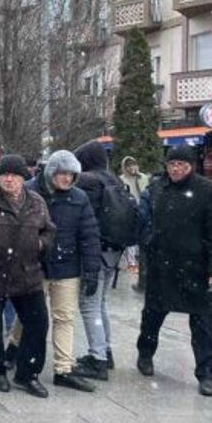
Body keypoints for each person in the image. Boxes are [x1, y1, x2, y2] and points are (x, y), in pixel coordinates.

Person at [137, 146, 212, 396]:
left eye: (182, 164)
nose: (176, 169)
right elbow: (144, 221)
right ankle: (145, 353)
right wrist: (147, 242)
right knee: (152, 318)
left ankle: (206, 374)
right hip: (162, 266)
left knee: (204, 324)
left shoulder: (209, 191)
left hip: (197, 268)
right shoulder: (157, 189)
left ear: (191, 166)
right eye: (172, 164)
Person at [0, 154, 56, 398]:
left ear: (23, 178)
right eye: (4, 175)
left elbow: (49, 229)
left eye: (14, 175)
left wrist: (40, 244)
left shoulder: (36, 201)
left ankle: (28, 373)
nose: (9, 179)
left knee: (38, 323)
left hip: (27, 272)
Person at [23, 150, 101, 393]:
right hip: (35, 265)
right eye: (62, 173)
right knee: (29, 316)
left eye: (71, 174)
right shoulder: (31, 193)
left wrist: (91, 271)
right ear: (51, 173)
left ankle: (63, 368)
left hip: (67, 266)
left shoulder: (79, 198)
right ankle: (16, 351)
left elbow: (89, 235)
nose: (66, 178)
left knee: (64, 317)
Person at [72, 140, 138, 376]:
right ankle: (105, 351)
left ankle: (97, 357)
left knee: (89, 303)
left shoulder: (87, 182)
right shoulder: (115, 181)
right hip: (113, 249)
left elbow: (82, 219)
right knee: (100, 303)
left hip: (94, 250)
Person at [120, 156, 149, 276]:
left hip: (143, 209)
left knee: (142, 235)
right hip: (129, 210)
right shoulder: (121, 179)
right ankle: (131, 263)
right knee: (131, 237)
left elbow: (146, 192)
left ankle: (140, 261)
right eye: (129, 165)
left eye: (134, 164)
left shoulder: (143, 177)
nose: (132, 167)